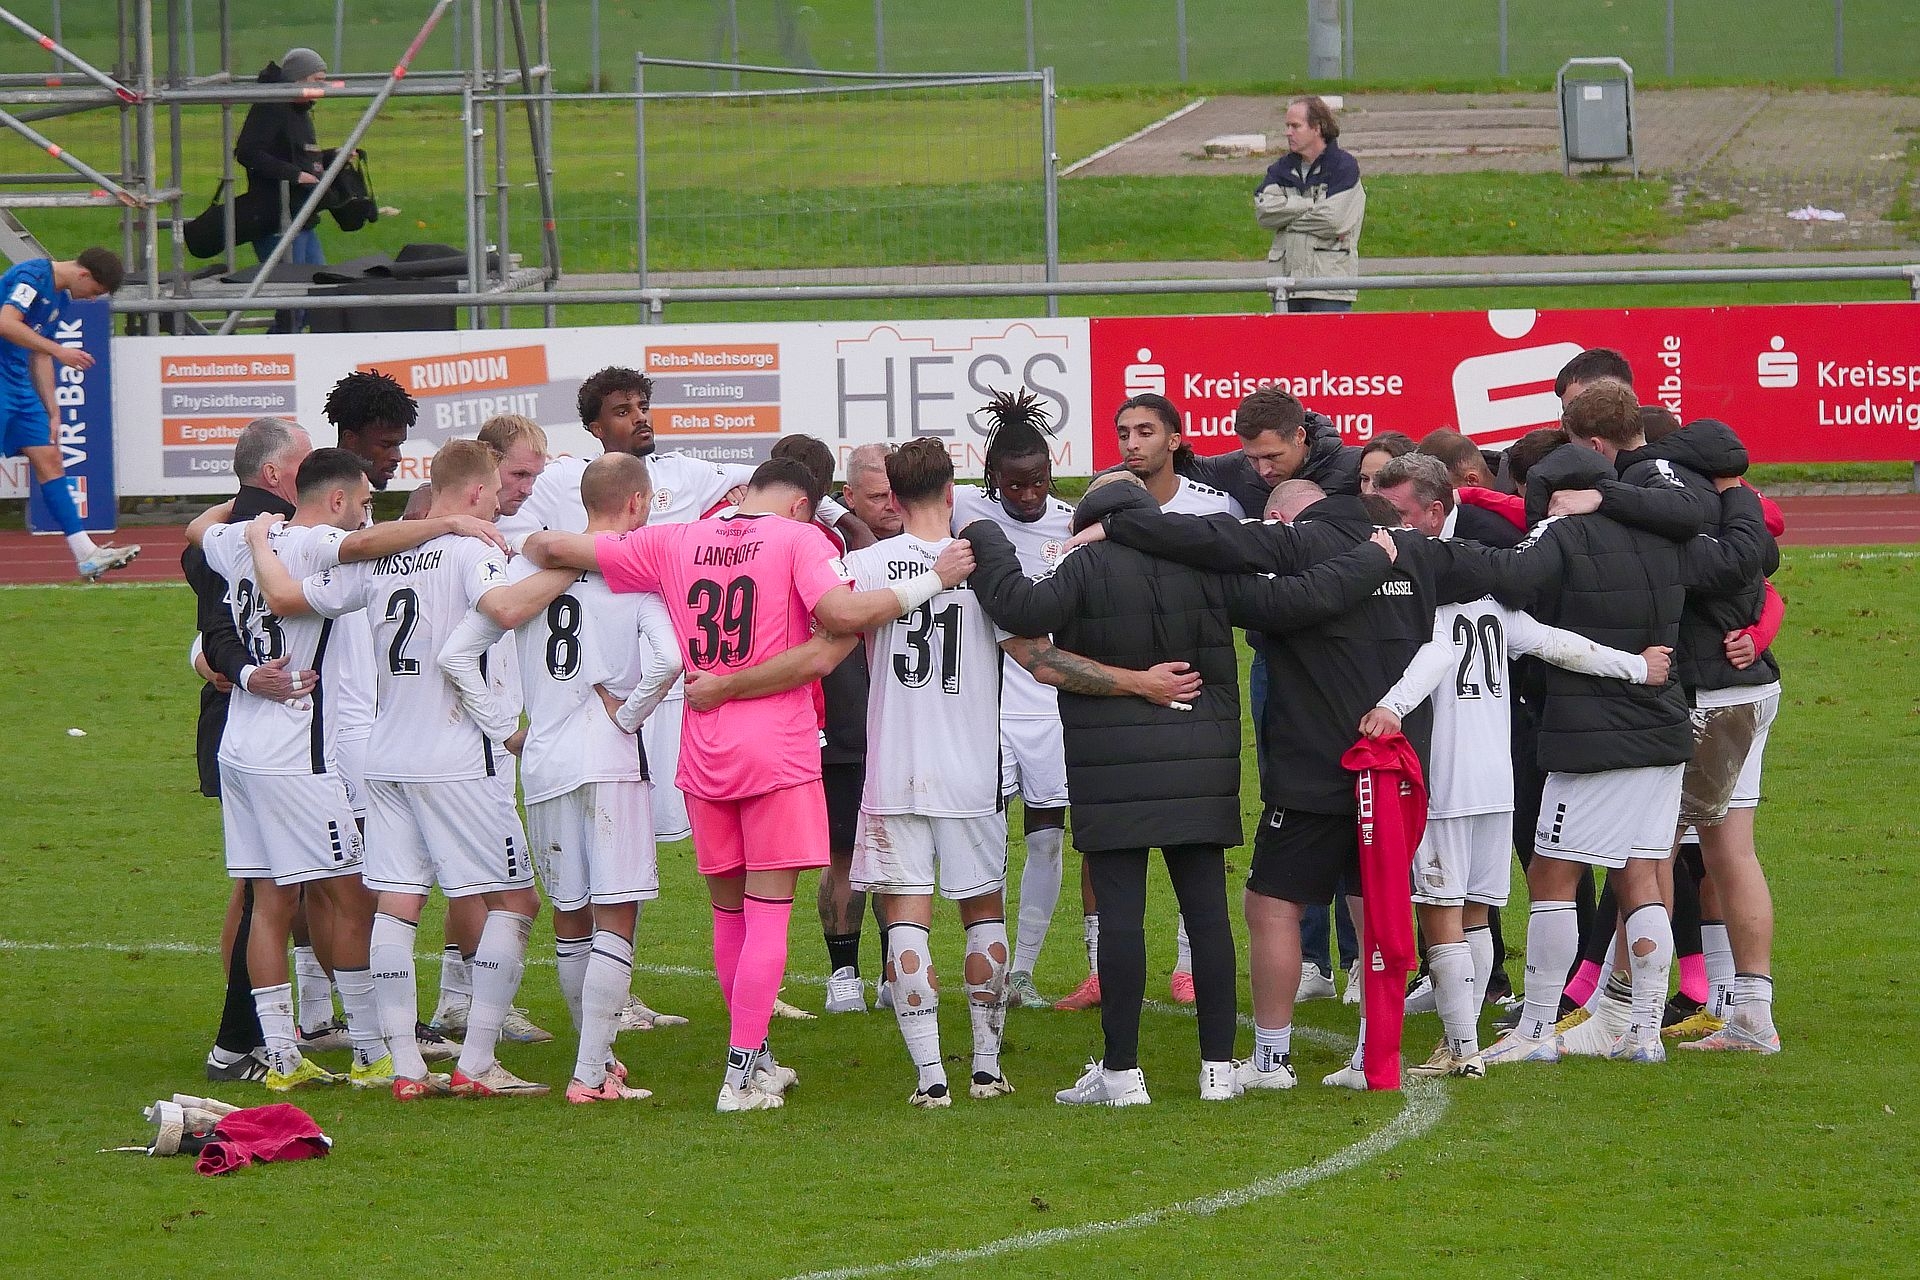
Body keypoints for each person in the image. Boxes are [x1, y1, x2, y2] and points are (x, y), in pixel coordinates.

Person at [522, 458, 976, 1112]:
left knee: (728, 915)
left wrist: (533, 542)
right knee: (767, 915)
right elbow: (840, 612)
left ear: (745, 493)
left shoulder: (675, 538)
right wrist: (934, 579)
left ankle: (757, 1059)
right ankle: (739, 1076)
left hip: (704, 748)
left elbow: (552, 546)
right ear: (801, 504)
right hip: (775, 750)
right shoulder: (799, 539)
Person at [971, 472, 1405, 1104]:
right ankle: (1218, 1072)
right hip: (1202, 760)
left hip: (1110, 763)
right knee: (1207, 915)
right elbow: (1299, 601)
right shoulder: (1202, 567)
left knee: (1121, 915)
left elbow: (1019, 610)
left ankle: (1121, 1074)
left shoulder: (1083, 566)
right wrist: (1371, 558)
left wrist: (985, 535)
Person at [1080, 459, 1503, 1092]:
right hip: (1393, 770)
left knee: (1272, 904)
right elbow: (1508, 570)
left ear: (1281, 520)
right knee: (1374, 904)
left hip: (1313, 770)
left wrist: (1122, 532)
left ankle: (1271, 1060)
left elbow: (1219, 553)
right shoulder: (1416, 553)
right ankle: (1371, 1054)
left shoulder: (1292, 563)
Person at [187, 446, 502, 1092]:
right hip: (298, 756)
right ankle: (369, 1049)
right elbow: (363, 546)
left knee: (270, 901)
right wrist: (449, 523)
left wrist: (252, 526)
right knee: (355, 898)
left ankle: (282, 1057)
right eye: (362, 502)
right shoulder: (315, 545)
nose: (365, 514)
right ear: (336, 502)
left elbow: (196, 530)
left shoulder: (242, 542)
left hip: (240, 748)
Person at [1479, 384, 1773, 1067]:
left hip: (1611, 725)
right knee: (1649, 867)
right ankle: (1639, 1027)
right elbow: (1749, 563)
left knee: (1560, 872)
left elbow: (1514, 586)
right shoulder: (1670, 528)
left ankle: (1541, 1028)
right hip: (1674, 718)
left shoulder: (1583, 524)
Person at [248, 439, 548, 1099]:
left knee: (399, 900)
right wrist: (562, 569)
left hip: (385, 755)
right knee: (516, 899)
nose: (499, 504)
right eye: (497, 492)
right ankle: (477, 1062)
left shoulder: (383, 555)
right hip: (456, 753)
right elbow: (501, 610)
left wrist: (259, 544)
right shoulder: (473, 549)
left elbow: (287, 598)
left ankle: (406, 1068)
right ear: (476, 492)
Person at [1362, 453, 1670, 1077]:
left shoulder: (1427, 592)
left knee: (1441, 911)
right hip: (1496, 781)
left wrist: (1391, 706)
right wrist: (1637, 667)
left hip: (1442, 779)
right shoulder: (1489, 596)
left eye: (1396, 514)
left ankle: (1463, 1049)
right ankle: (1478, 1039)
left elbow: (1436, 654)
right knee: (1477, 912)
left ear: (1433, 514)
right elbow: (1558, 644)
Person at [441, 452, 682, 1101]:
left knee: (571, 918)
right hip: (610, 762)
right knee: (616, 915)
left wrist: (507, 730)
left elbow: (456, 654)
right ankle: (589, 1075)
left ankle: (595, 1060)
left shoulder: (533, 572)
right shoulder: (634, 574)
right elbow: (669, 661)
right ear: (637, 503)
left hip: (544, 762)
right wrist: (629, 715)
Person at [185, 418, 312, 1084]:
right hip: (267, 729)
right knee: (268, 891)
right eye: (304, 460)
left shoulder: (216, 538)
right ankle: (246, 1037)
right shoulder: (279, 538)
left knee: (273, 888)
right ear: (274, 473)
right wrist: (243, 672)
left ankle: (265, 1032)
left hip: (239, 728)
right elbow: (214, 635)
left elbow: (207, 631)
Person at [951, 393, 1077, 1012]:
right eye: (1014, 484)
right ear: (991, 478)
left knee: (1048, 838)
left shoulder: (1073, 524)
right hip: (988, 705)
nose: (1028, 495)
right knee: (988, 836)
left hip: (1051, 704)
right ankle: (991, 963)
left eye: (1038, 482)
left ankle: (1023, 970)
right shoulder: (964, 511)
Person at [0, 247, 137, 579]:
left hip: (17, 383)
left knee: (50, 459)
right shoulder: (31, 277)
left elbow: (40, 354)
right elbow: (5, 323)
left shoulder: (60, 298)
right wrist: (59, 350)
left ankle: (86, 553)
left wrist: (53, 411)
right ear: (83, 274)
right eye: (94, 291)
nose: (92, 299)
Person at [1176, 387, 1362, 518]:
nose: (1263, 470)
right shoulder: (1236, 468)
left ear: (1299, 436)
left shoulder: (1358, 467)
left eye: (1272, 456)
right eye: (1252, 458)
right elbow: (1177, 464)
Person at [1256, 95, 1365, 313]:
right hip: (1286, 288)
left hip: (1329, 290)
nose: (1288, 132)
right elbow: (1265, 213)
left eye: (1295, 126)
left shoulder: (1343, 167)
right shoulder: (1280, 169)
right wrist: (1310, 205)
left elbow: (1334, 221)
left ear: (1317, 128)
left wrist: (1287, 221)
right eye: (1287, 126)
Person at [323, 369, 414, 492]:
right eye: (385, 445)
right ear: (350, 439)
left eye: (399, 444)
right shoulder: (312, 492)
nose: (397, 457)